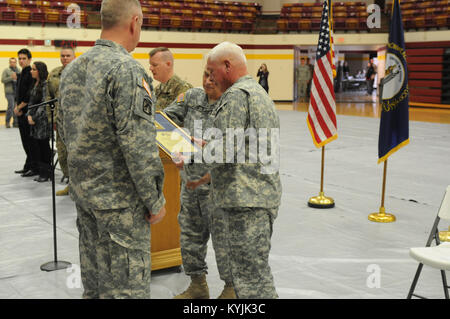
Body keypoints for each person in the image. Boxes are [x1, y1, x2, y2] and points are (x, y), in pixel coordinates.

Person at [58, 0, 166, 299]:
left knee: (94, 288)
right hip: (121, 207)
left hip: (86, 199)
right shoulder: (128, 70)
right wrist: (155, 200)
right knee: (125, 292)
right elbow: (138, 146)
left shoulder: (72, 70)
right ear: (135, 22)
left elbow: (64, 134)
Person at [204, 42, 282, 298]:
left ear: (227, 66)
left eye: (212, 70)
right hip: (260, 197)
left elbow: (224, 151)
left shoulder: (237, 96)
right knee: (253, 275)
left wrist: (189, 154)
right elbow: (242, 145)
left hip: (245, 201)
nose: (210, 77)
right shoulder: (259, 93)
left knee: (251, 281)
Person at [164, 69, 235, 299]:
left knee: (224, 240)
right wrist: (176, 144)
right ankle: (197, 285)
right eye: (205, 74)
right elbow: (165, 120)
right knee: (190, 236)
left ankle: (232, 289)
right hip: (191, 184)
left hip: (219, 187)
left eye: (213, 77)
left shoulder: (233, 103)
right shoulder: (192, 97)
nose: (207, 80)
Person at [47, 46, 76, 195]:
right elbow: (48, 97)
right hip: (60, 121)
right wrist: (50, 118)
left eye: (68, 56)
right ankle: (70, 183)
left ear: (74, 57)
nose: (65, 58)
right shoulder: (54, 74)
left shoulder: (82, 73)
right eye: (63, 56)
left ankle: (79, 188)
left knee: (76, 155)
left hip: (78, 123)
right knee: (62, 153)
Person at [27, 62, 51, 182]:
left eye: (34, 69)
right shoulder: (34, 83)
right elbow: (30, 102)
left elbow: (43, 104)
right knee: (38, 147)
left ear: (39, 71)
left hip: (42, 121)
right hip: (33, 120)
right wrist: (28, 115)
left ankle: (46, 173)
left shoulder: (45, 85)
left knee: (44, 146)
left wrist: (34, 117)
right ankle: (42, 171)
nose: (31, 71)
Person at [14, 49, 37, 177]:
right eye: (20, 59)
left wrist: (20, 107)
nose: (21, 61)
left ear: (29, 59)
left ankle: (33, 166)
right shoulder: (21, 72)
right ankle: (28, 165)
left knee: (29, 141)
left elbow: (29, 94)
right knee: (25, 141)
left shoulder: (30, 73)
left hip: (27, 111)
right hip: (20, 111)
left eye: (24, 58)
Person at [149, 47, 193, 111]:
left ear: (168, 64)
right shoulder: (156, 90)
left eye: (155, 65)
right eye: (150, 65)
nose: (151, 68)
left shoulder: (184, 89)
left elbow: (196, 117)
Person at [1, 57, 20, 128]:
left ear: (16, 62)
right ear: (9, 63)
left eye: (14, 62)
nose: (13, 63)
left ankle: (15, 123)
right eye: (11, 62)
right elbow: (2, 80)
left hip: (17, 92)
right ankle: (7, 122)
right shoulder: (6, 70)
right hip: (9, 92)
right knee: (11, 106)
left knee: (16, 107)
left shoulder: (19, 70)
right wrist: (11, 77)